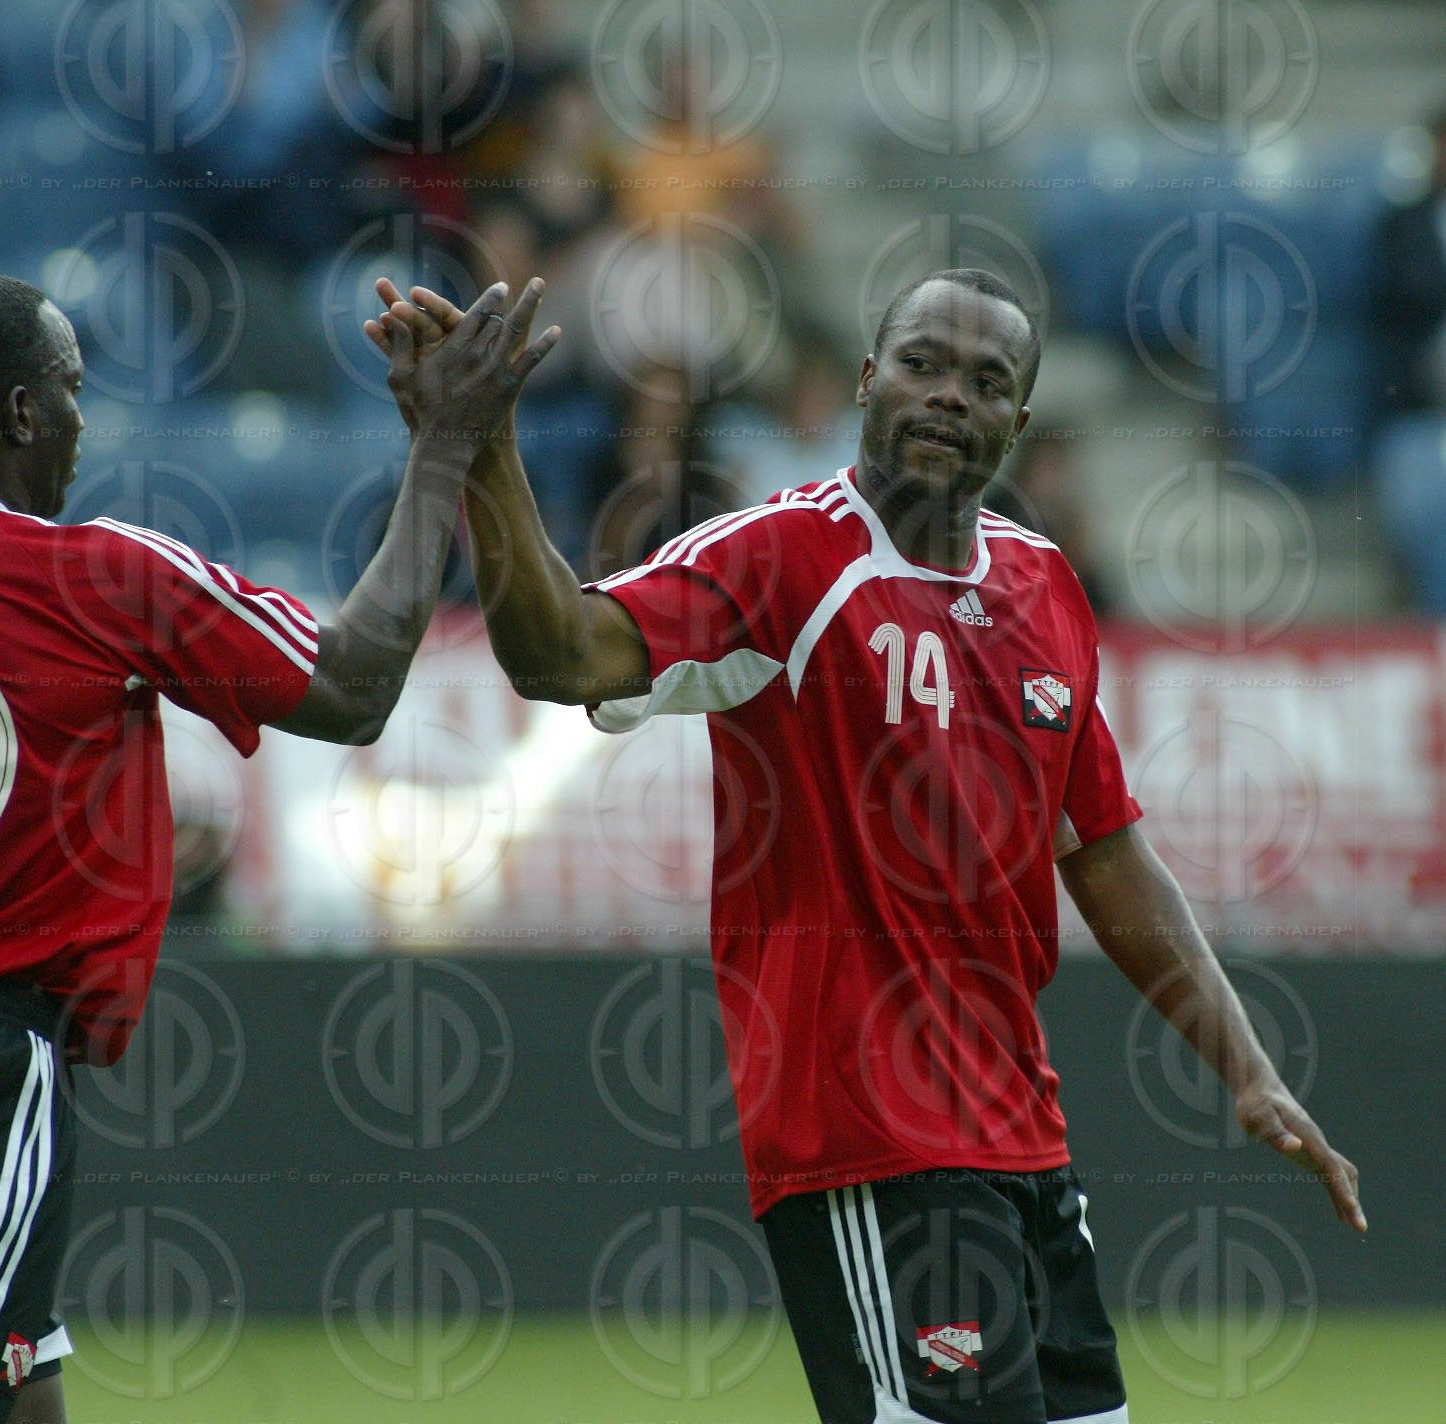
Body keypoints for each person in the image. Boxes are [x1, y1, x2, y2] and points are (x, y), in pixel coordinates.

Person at [365, 268, 1364, 1424]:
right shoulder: (780, 560)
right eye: (922, 362)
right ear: (864, 380)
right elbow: (558, 655)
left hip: (1026, 1141)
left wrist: (1246, 1063)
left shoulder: (1044, 586)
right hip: (866, 1140)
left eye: (987, 380)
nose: (949, 395)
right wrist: (483, 449)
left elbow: (1103, 849)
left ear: (1019, 423)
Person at [0, 271, 557, 1424]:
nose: (86, 419)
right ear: (23, 415)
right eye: (72, 389)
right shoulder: (96, 573)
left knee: (17, 1386)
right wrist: (444, 448)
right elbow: (352, 684)